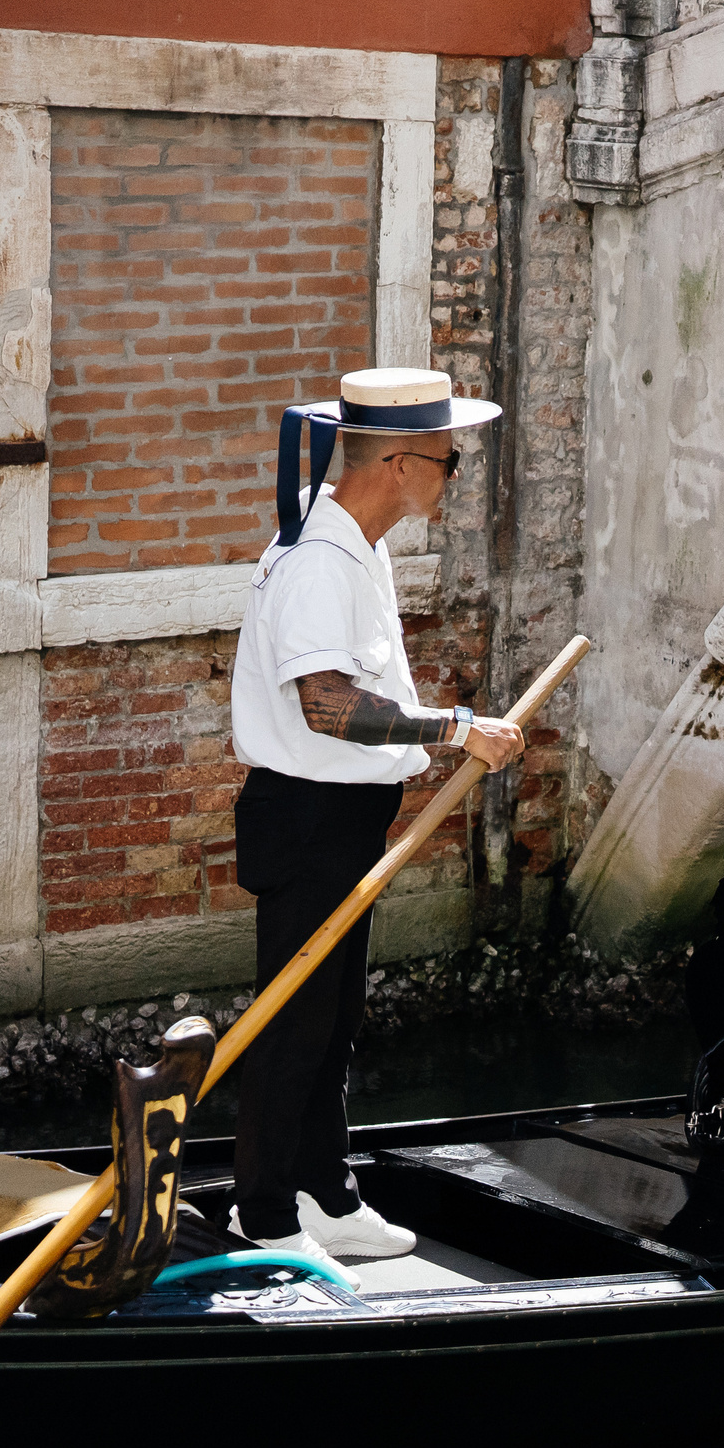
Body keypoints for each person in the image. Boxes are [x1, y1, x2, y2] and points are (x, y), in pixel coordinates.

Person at [226, 369, 524, 1281]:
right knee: (295, 1018)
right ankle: (264, 1209)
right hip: (307, 816)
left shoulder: (359, 544)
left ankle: (324, 1190)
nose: (456, 475)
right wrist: (453, 728)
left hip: (342, 814)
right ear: (400, 463)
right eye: (450, 460)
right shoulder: (320, 560)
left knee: (335, 1013)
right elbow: (324, 704)